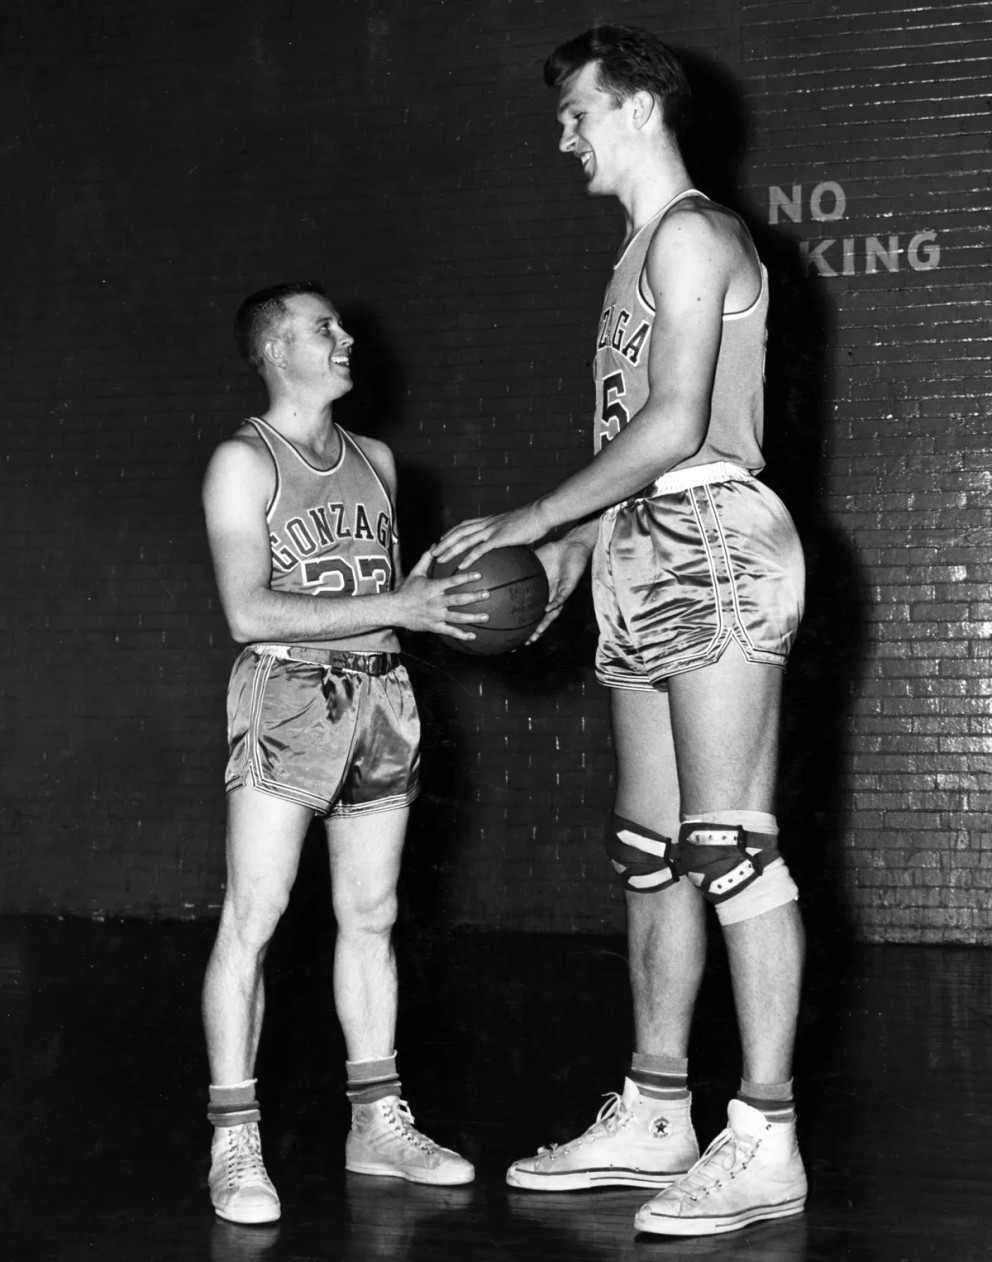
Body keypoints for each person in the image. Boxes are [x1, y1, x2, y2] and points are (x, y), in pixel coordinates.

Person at [433, 25, 807, 1239]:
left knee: (729, 843)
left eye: (578, 111)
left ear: (639, 105)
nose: (564, 135)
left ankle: (764, 1131)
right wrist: (559, 561)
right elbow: (626, 462)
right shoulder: (633, 257)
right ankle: (657, 1106)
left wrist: (531, 512)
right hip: (642, 543)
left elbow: (678, 422)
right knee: (649, 848)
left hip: (714, 536)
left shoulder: (694, 233)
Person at [201, 281, 485, 1225]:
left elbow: (393, 596)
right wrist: (400, 605)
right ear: (279, 352)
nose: (347, 335)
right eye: (325, 328)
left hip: (381, 694)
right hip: (288, 694)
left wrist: (463, 598)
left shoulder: (378, 461)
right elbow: (248, 611)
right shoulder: (243, 463)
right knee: (256, 914)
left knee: (372, 914)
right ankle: (234, 1138)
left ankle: (377, 1121)